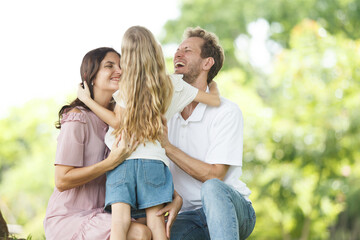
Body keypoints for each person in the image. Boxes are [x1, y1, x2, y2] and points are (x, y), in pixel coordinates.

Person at [76, 26, 221, 240]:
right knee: (156, 221)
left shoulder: (126, 85)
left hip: (122, 162)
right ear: (156, 50)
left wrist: (86, 100)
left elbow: (117, 121)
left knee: (120, 222)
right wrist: (213, 84)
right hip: (154, 163)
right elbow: (214, 100)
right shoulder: (173, 84)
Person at [43, 47, 152, 240]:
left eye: (121, 66)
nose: (119, 71)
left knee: (158, 223)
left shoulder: (122, 119)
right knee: (140, 234)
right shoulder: (78, 118)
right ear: (91, 77)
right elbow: (62, 180)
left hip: (108, 213)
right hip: (70, 217)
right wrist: (109, 163)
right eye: (109, 66)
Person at [159, 27, 256, 239]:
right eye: (177, 50)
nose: (178, 54)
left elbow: (214, 175)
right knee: (151, 233)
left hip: (233, 210)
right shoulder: (165, 112)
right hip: (187, 216)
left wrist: (167, 146)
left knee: (212, 187)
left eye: (187, 50)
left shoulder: (226, 111)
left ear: (207, 63)